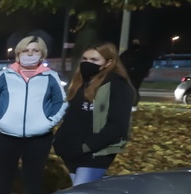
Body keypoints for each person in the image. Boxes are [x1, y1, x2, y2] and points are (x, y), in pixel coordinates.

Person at [0, 36, 67, 194]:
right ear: (18, 53)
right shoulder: (5, 75)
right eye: (25, 51)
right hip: (5, 135)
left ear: (42, 54)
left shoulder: (50, 76)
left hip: (39, 137)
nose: (30, 54)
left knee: (34, 176)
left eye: (35, 51)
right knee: (5, 174)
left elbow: (60, 102)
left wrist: (49, 122)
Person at [53, 43, 134, 186]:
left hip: (96, 153)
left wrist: (87, 147)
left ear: (109, 62)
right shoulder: (80, 83)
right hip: (70, 151)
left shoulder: (118, 86)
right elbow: (72, 117)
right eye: (85, 59)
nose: (87, 63)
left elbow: (117, 126)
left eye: (94, 60)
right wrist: (60, 141)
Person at [119, 39, 154, 107]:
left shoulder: (136, 52)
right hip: (134, 73)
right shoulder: (139, 52)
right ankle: (132, 102)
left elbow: (123, 59)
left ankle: (132, 102)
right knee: (133, 88)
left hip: (134, 73)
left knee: (133, 88)